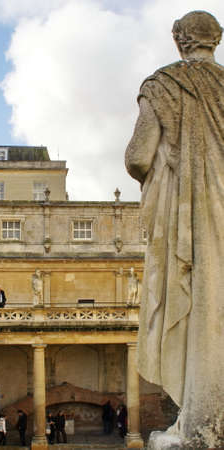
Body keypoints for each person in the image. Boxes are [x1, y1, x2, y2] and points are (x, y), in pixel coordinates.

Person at [125, 10, 224, 446]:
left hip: (191, 215)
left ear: (179, 40)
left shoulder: (163, 84)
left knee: (199, 305)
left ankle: (200, 424)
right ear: (216, 40)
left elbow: (138, 157)